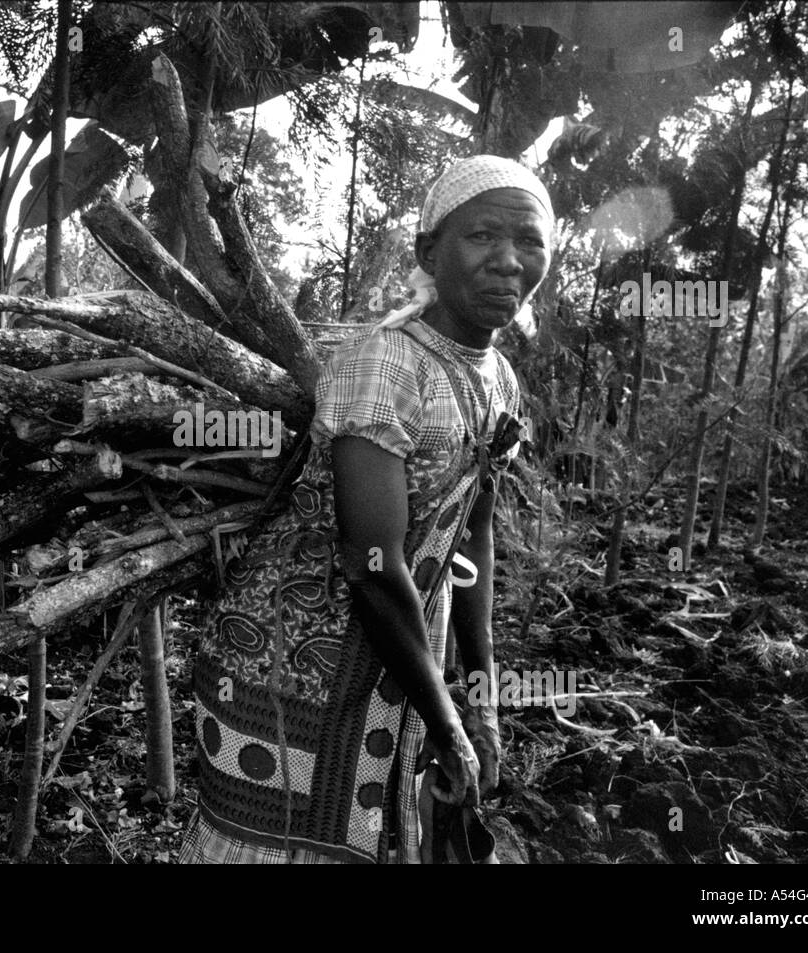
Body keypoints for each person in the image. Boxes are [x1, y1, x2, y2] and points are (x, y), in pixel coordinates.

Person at [178, 154, 556, 863]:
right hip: (293, 663)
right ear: (428, 251)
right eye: (482, 236)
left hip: (405, 658)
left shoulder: (497, 376)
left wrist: (481, 698)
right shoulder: (386, 363)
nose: (509, 261)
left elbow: (474, 540)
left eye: (530, 241)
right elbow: (369, 563)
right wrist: (449, 724)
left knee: (386, 833)